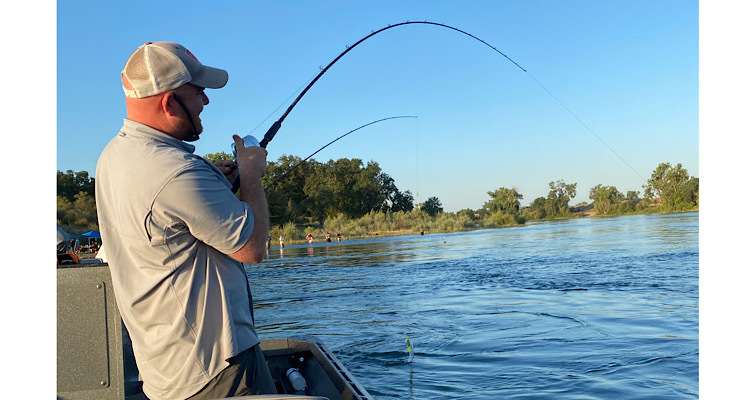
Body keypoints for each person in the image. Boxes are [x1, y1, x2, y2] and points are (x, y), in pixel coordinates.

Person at [95, 42, 275, 400]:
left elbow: (166, 215)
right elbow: (253, 247)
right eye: (198, 92)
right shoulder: (177, 172)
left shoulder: (112, 158)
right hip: (218, 373)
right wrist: (251, 175)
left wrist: (211, 182)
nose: (205, 102)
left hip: (165, 370)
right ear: (168, 102)